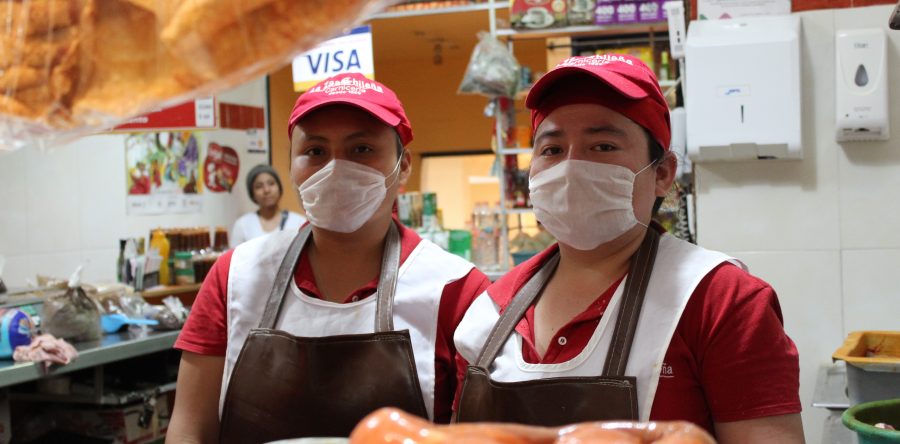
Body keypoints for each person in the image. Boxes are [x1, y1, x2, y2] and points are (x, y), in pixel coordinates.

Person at [452, 54, 804, 443]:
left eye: (602, 146)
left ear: (662, 173)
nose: (571, 168)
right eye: (551, 150)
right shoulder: (491, 310)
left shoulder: (721, 301)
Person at [167, 73, 490, 443]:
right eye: (315, 151)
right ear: (291, 165)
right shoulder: (235, 275)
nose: (336, 168)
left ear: (403, 166)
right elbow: (190, 428)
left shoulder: (456, 289)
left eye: (362, 149)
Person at [229, 164, 306, 247]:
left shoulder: (299, 222)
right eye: (259, 186)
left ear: (279, 188)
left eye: (271, 183)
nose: (266, 190)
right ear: (252, 194)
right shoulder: (242, 225)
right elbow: (235, 254)